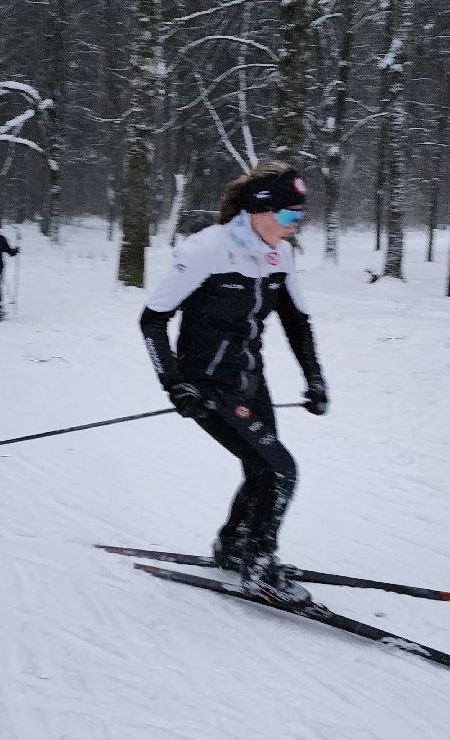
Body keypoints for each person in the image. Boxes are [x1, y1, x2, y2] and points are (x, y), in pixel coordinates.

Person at [139, 160, 327, 605]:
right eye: (286, 216)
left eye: (299, 217)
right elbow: (152, 322)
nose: (292, 226)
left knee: (263, 468)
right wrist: (174, 384)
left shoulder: (281, 254)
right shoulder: (207, 249)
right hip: (206, 387)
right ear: (259, 210)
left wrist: (315, 380)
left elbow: (296, 321)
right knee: (282, 470)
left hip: (249, 380)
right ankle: (259, 569)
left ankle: (235, 547)